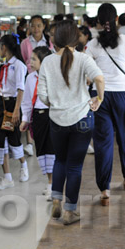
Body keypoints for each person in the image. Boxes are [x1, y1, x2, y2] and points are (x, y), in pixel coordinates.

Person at [38, 20, 104, 225]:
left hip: (57, 120)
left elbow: (42, 95)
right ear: (76, 39)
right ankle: (70, 211)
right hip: (81, 119)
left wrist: (55, 103)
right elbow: (100, 79)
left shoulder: (47, 61)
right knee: (74, 166)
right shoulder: (83, 59)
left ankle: (56, 198)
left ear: (55, 39)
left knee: (60, 160)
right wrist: (98, 99)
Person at [85, 3, 125, 206]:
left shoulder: (92, 45)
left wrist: (91, 92)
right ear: (116, 19)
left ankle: (104, 189)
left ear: (99, 22)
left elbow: (87, 77)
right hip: (124, 95)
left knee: (103, 143)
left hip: (100, 96)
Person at [0, 34, 29, 190]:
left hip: (13, 104)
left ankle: (23, 165)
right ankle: (7, 178)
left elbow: (21, 89)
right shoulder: (2, 66)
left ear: (4, 47)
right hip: (1, 105)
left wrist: (17, 110)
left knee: (14, 138)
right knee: (0, 140)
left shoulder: (19, 65)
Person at [19, 46, 55, 200]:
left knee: (52, 150)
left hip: (53, 116)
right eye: (31, 58)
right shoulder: (30, 78)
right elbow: (26, 102)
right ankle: (49, 181)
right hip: (38, 117)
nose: (30, 61)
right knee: (41, 151)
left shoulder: (54, 77)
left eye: (34, 59)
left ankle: (53, 185)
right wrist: (25, 120)